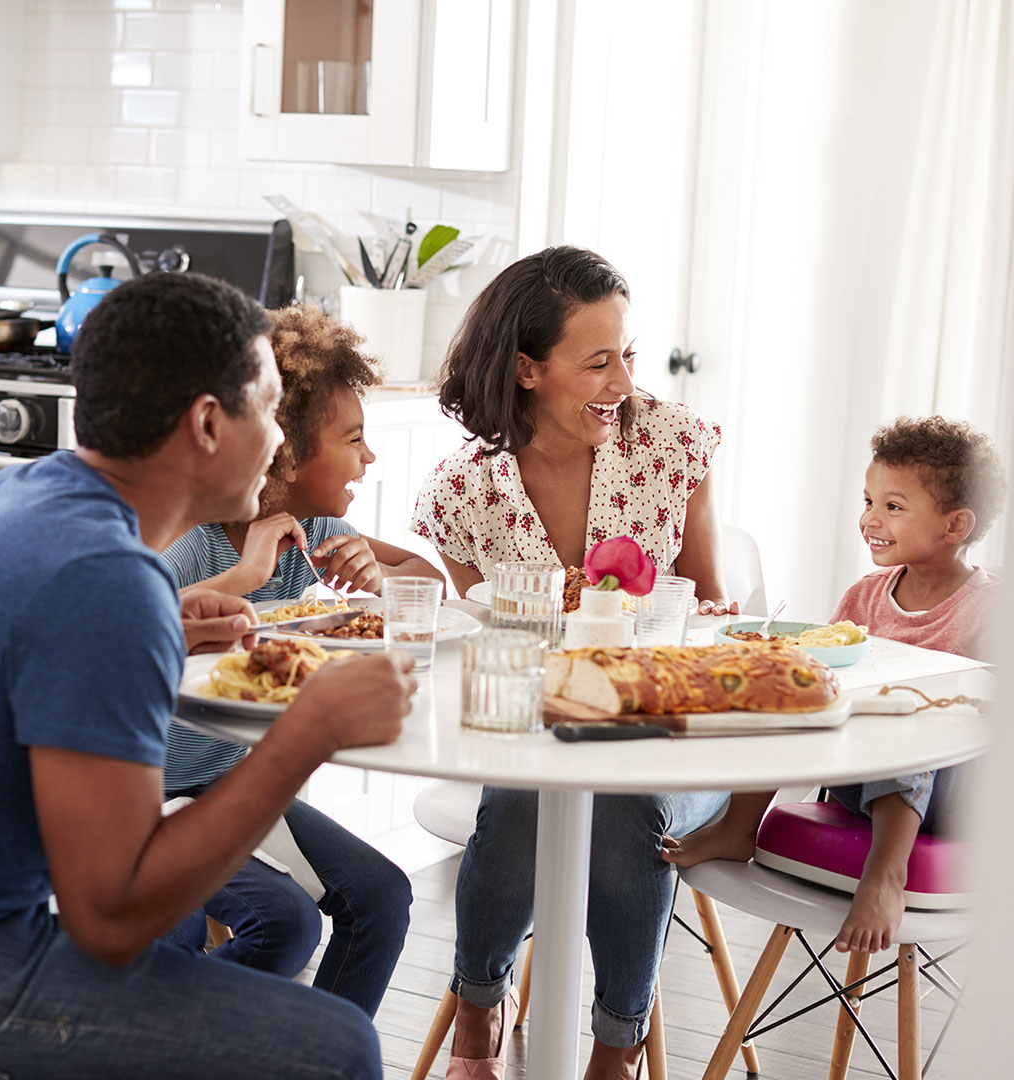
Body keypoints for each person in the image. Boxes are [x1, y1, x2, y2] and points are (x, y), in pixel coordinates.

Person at [0, 272, 418, 1079]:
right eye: (267, 411)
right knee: (339, 1050)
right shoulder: (105, 582)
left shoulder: (23, 498)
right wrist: (311, 731)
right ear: (206, 424)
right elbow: (113, 918)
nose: (277, 442)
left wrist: (160, 606)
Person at [409, 246, 735, 1079]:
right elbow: (491, 649)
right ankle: (480, 1008)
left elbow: (707, 603)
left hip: (670, 729)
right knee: (526, 795)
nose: (624, 380)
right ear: (525, 369)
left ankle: (615, 1047)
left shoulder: (670, 446)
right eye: (597, 362)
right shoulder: (464, 494)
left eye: (628, 353)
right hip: (537, 730)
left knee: (625, 807)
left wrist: (684, 618)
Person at [161, 304, 443, 1014]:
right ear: (284, 448)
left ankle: (296, 1055)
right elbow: (131, 622)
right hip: (152, 794)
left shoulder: (316, 530)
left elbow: (429, 585)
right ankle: (182, 1033)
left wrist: (384, 576)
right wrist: (244, 577)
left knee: (382, 896)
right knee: (281, 925)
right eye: (354, 439)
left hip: (236, 784)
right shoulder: (197, 540)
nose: (369, 457)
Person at [663, 415, 1007, 955]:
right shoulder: (865, 596)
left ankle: (887, 875)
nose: (870, 518)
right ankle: (738, 826)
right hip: (861, 779)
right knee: (790, 688)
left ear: (955, 525)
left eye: (893, 507)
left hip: (955, 791)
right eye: (868, 501)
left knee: (909, 717)